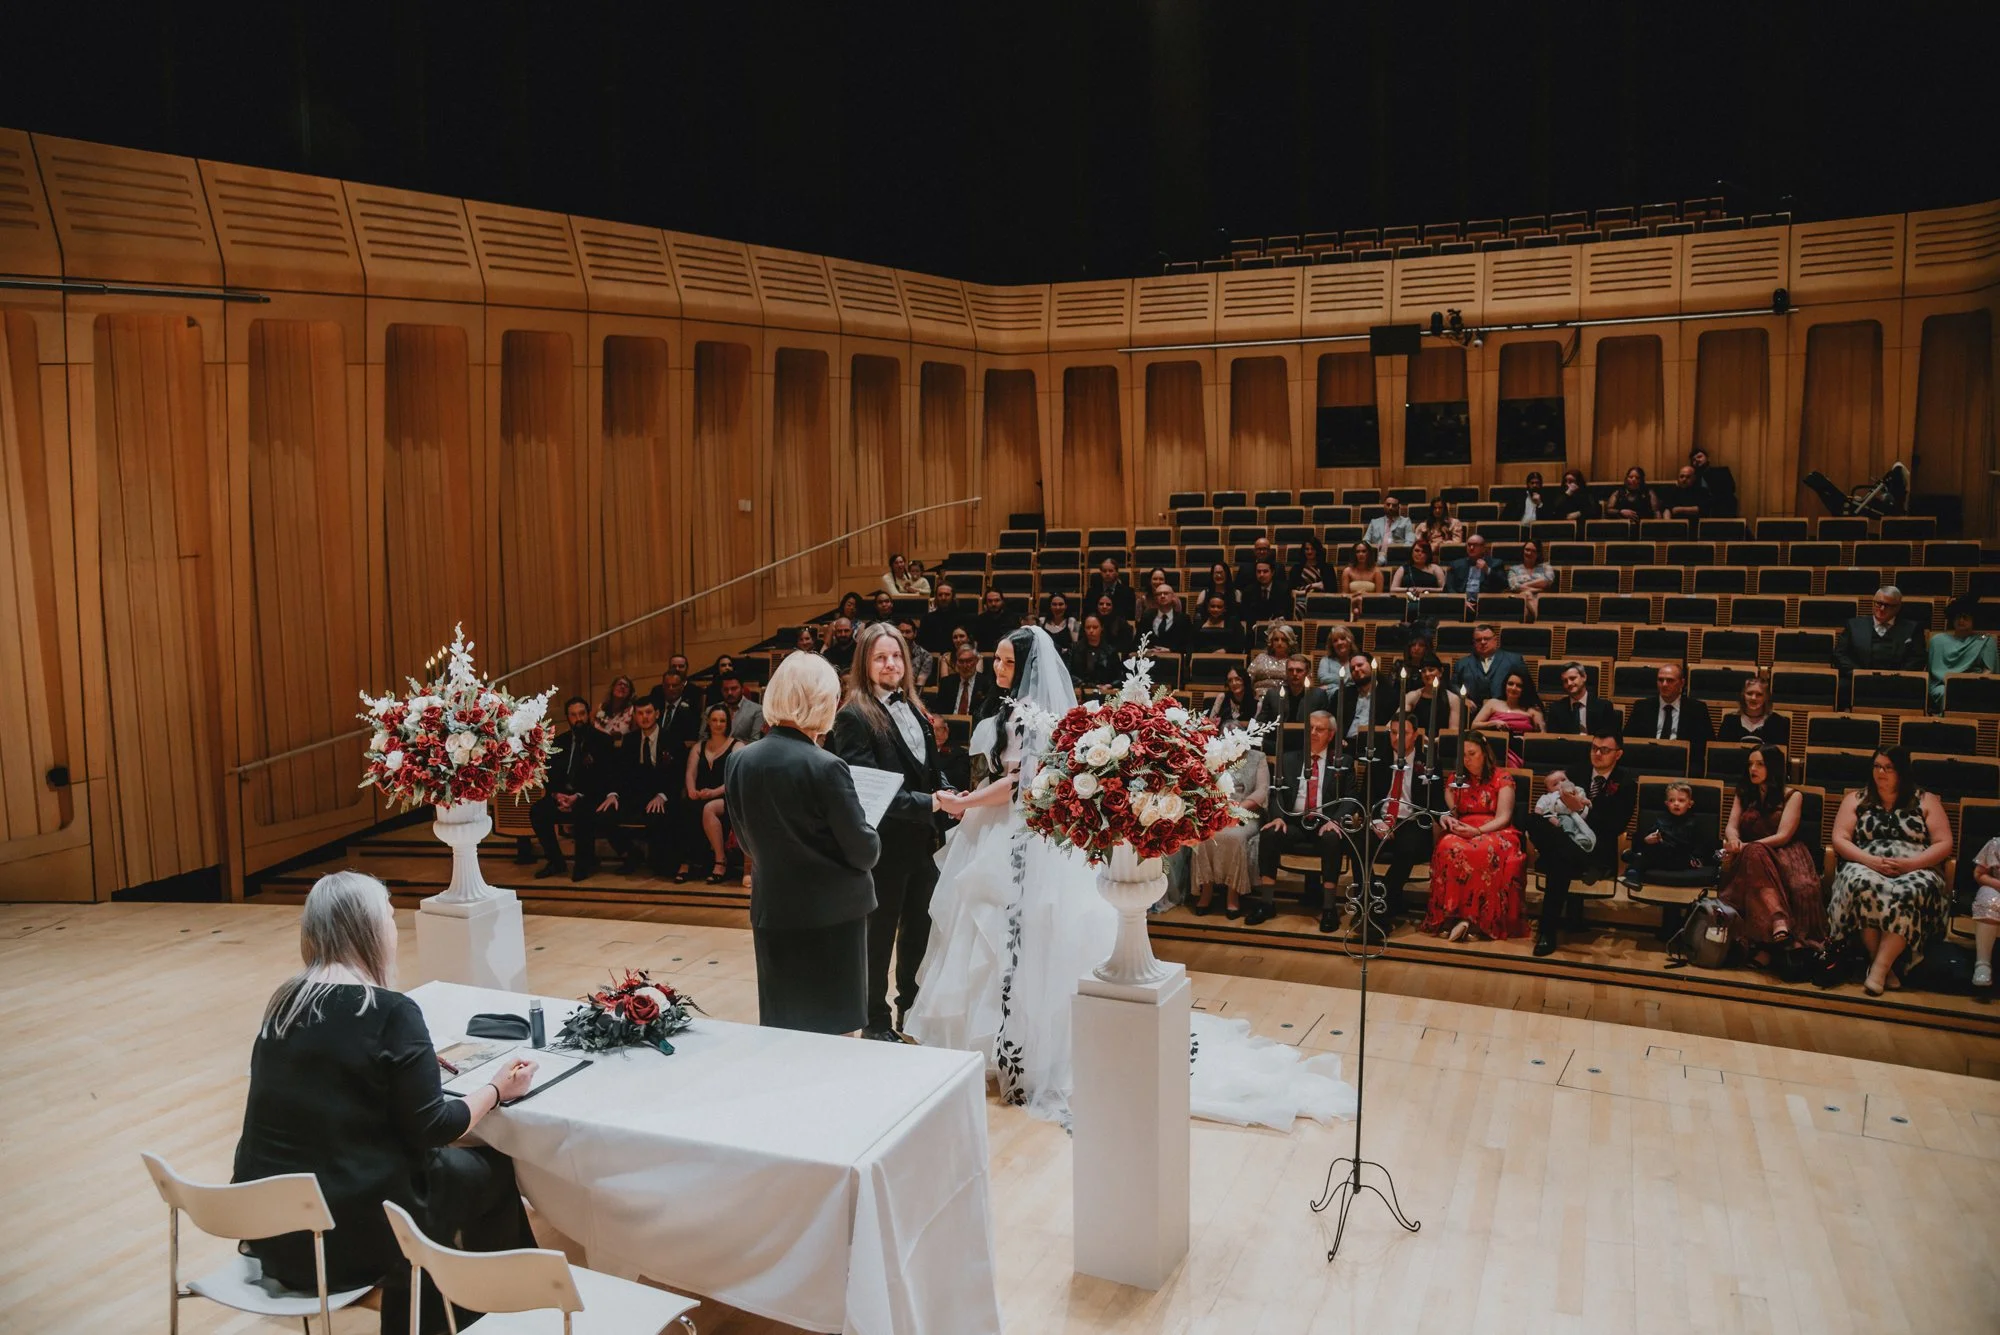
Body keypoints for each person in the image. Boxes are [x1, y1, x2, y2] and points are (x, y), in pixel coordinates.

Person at [908, 628, 1355, 1129]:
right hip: (995, 830)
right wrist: (970, 804)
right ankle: (994, 1047)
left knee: (1035, 930)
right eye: (999, 660)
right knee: (984, 931)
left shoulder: (1038, 719)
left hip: (1026, 834)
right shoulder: (1004, 710)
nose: (998, 669)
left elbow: (1022, 782)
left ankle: (1040, 1047)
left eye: (1008, 662)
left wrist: (966, 803)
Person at [233, 872, 536, 1335]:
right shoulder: (389, 1010)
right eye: (391, 919)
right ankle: (492, 1313)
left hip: (275, 1230)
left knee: (431, 1180)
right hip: (351, 1234)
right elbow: (436, 1126)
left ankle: (462, 1310)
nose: (395, 931)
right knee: (490, 1168)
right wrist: (496, 1089)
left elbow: (332, 1084)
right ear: (368, 931)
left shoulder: (284, 1004)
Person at [727, 652, 882, 1034]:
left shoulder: (739, 761)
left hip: (773, 910)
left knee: (784, 1031)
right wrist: (871, 829)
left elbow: (746, 843)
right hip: (832, 919)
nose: (836, 705)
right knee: (838, 1034)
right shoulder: (826, 766)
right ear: (817, 701)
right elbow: (864, 851)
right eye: (832, 697)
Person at [828, 623, 950, 1040]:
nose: (891, 664)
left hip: (923, 844)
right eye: (881, 657)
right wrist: (933, 803)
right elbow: (867, 791)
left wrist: (952, 795)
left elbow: (930, 771)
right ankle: (874, 1021)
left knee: (918, 934)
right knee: (877, 941)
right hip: (883, 847)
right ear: (865, 663)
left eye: (896, 656)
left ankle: (910, 1014)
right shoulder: (852, 716)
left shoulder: (915, 707)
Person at [1826, 747, 1951, 995]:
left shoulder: (1926, 800)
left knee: (1909, 892)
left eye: (1888, 767)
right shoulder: (1856, 799)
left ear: (1902, 771)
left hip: (1916, 865)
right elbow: (1839, 838)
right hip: (1865, 860)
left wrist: (1911, 865)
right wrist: (1869, 860)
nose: (1881, 772)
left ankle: (1879, 967)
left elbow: (1944, 843)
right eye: (1877, 766)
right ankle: (1882, 967)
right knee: (1863, 885)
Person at [1526, 732, 1638, 956]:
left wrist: (1581, 810)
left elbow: (1615, 826)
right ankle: (1577, 861)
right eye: (1594, 748)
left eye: (1604, 750)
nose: (1597, 753)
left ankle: (1547, 933)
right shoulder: (1576, 771)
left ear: (1618, 754)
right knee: (1530, 819)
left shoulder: (1626, 782)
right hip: (1568, 842)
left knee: (1558, 862)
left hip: (1598, 846)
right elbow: (1552, 804)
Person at [1720, 744, 1825, 963]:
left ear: (1773, 767)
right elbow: (1731, 826)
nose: (1753, 769)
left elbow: (1783, 836)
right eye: (1750, 764)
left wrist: (1748, 846)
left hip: (1784, 853)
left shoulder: (1792, 796)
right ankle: (1778, 924)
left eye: (1760, 764)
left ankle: (1766, 947)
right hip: (1751, 854)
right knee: (1754, 855)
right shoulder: (1744, 793)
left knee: (1800, 885)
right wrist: (1734, 840)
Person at [1421, 732, 1525, 941]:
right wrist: (1453, 823)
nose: (1467, 759)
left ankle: (1478, 922)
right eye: (1464, 755)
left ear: (1484, 753)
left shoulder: (1502, 778)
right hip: (1464, 826)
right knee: (1447, 846)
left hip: (1496, 829)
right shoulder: (1455, 779)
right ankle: (1449, 916)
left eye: (1472, 753)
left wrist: (1478, 831)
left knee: (1482, 850)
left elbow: (1504, 817)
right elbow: (1452, 812)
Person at [1257, 710, 1347, 931]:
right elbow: (1276, 792)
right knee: (1269, 833)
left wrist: (1335, 820)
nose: (1314, 733)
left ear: (1332, 734)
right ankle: (1267, 902)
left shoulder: (1342, 762)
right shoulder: (1288, 759)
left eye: (1320, 729)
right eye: (1311, 728)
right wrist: (1278, 817)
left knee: (1332, 839)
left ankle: (1328, 908)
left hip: (1324, 822)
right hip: (1294, 822)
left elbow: (1350, 797)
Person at [596, 697, 684, 879]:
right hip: (634, 795)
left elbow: (679, 774)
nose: (644, 717)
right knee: (604, 813)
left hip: (662, 794)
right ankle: (629, 853)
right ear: (635, 716)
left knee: (659, 816)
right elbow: (618, 772)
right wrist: (613, 794)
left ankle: (658, 858)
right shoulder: (629, 740)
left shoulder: (672, 739)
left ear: (657, 714)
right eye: (640, 713)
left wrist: (663, 795)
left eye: (649, 712)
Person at [1366, 716, 1440, 932]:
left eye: (1403, 733)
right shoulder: (1378, 758)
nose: (1397, 738)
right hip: (1382, 818)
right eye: (1393, 732)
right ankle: (1370, 903)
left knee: (1407, 849)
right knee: (1359, 844)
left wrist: (1444, 817)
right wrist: (1376, 821)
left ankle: (1380, 909)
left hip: (1411, 821)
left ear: (1415, 735)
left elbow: (1435, 800)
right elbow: (1366, 796)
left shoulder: (1428, 762)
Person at [1190, 729, 1270, 918]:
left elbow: (1262, 790)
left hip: (1246, 813)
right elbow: (1205, 785)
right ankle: (1207, 890)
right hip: (1217, 811)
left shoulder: (1258, 757)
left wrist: (1238, 809)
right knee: (1202, 836)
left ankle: (1232, 894)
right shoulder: (1216, 756)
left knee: (1234, 838)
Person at [530, 696, 607, 881]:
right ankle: (556, 861)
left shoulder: (602, 741)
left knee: (584, 811)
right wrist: (557, 795)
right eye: (573, 715)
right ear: (568, 717)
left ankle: (584, 863)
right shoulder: (559, 742)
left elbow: (602, 778)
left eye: (581, 714)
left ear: (588, 715)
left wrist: (578, 796)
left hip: (588, 795)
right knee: (538, 812)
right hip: (562, 794)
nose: (578, 719)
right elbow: (549, 774)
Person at [686, 704, 745, 884]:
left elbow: (735, 778)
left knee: (709, 808)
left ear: (728, 723)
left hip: (728, 796)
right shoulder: (699, 746)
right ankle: (685, 863)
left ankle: (720, 861)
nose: (718, 724)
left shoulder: (738, 745)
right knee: (683, 807)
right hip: (703, 794)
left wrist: (714, 792)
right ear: (708, 722)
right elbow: (690, 773)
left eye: (722, 720)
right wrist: (691, 791)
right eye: (714, 720)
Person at [1620, 781, 1718, 885]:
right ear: (1667, 804)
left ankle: (1634, 857)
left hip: (1681, 858)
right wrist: (1648, 840)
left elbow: (1702, 845)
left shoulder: (1694, 823)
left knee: (1662, 855)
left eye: (1681, 800)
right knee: (1648, 856)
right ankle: (1633, 875)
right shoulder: (1661, 820)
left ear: (1690, 804)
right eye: (1672, 800)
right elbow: (1648, 837)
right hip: (1660, 855)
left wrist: (1697, 858)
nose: (1676, 803)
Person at [1626, 662, 1713, 767]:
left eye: (1670, 680)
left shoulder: (1697, 709)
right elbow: (1628, 741)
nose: (1664, 684)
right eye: (1660, 680)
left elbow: (1706, 746)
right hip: (1647, 762)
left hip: (1682, 764)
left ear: (1682, 683)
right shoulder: (1642, 707)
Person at [1833, 585, 1927, 676]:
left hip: (1898, 682)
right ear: (1873, 603)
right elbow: (1839, 654)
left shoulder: (1913, 628)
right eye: (1879, 603)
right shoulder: (1854, 625)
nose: (1882, 609)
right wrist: (1859, 674)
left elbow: (1917, 659)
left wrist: (1896, 677)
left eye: (1887, 605)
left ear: (1898, 607)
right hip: (1858, 680)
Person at [1927, 594, 1995, 710]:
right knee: (1946, 693)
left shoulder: (1985, 640)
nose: (1961, 620)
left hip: (1974, 685)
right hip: (1943, 685)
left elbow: (1988, 671)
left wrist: (1969, 683)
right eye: (1957, 617)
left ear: (1974, 619)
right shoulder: (1937, 640)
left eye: (1966, 617)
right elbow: (1932, 673)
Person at [1471, 668, 1544, 765]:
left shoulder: (1533, 710)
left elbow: (1542, 738)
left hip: (1520, 752)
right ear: (1505, 685)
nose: (1513, 688)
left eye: (1519, 686)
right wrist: (1493, 723)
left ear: (1525, 689)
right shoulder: (1493, 703)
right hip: (1493, 748)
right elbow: (1474, 726)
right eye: (1510, 684)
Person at [1449, 622, 1527, 706]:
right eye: (1478, 640)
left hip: (1505, 712)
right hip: (1472, 713)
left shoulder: (1513, 661)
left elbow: (1526, 687)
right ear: (1474, 643)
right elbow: (1453, 687)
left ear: (1495, 640)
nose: (1483, 642)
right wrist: (1463, 699)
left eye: (1487, 639)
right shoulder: (1461, 664)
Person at [1257, 655, 1331, 735]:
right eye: (1290, 670)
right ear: (1286, 672)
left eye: (1299, 670)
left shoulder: (1318, 695)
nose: (1294, 673)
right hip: (1277, 740)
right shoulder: (1273, 694)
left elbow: (1325, 724)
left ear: (1307, 672)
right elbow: (1261, 722)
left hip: (1308, 740)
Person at [1544, 661, 1619, 737]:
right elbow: (1553, 740)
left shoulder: (1604, 707)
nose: (1569, 683)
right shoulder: (1556, 709)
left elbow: (1610, 738)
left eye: (1572, 678)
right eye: (1565, 681)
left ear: (1584, 677)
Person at [1716, 675, 1789, 749]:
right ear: (1743, 696)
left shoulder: (1778, 722)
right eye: (1749, 693)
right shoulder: (1729, 721)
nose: (1753, 698)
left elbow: (1779, 756)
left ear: (1766, 697)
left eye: (1759, 694)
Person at [1970, 834, 2000, 990]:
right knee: (1989, 899)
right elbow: (1979, 874)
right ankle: (1983, 963)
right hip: (1997, 887)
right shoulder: (1996, 844)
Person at [1403, 661, 1465, 734]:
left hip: (1442, 742)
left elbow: (1453, 731)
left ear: (1440, 672)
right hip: (1416, 741)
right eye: (1423, 671)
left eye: (1431, 670)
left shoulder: (1453, 699)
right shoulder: (1412, 696)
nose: (1427, 674)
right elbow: (1400, 721)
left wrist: (1436, 741)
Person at [1505, 538, 1557, 620]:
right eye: (1527, 550)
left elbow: (1547, 581)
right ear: (1523, 551)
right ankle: (1540, 621)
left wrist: (1525, 585)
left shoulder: (1546, 567)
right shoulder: (1514, 569)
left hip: (1542, 599)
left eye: (1534, 551)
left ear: (1538, 554)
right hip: (1520, 599)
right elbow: (1514, 586)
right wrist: (1540, 589)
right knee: (1526, 595)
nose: (1529, 553)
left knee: (1526, 597)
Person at [933, 643, 991, 716]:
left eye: (969, 661)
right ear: (956, 662)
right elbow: (939, 712)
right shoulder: (946, 683)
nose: (965, 666)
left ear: (976, 661)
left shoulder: (986, 684)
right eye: (961, 661)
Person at [1069, 615, 1125, 688]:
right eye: (1088, 627)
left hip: (1105, 691)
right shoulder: (1075, 648)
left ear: (1101, 628)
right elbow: (1068, 673)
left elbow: (1120, 676)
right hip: (1081, 690)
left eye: (1095, 627)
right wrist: (1084, 685)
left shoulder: (1110, 650)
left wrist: (1111, 685)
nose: (1091, 631)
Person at [1444, 532, 1499, 604]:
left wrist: (1487, 570)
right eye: (1469, 545)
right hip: (1461, 604)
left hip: (1486, 605)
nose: (1471, 548)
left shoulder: (1495, 563)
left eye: (1475, 545)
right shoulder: (1456, 564)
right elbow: (1449, 587)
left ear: (1483, 548)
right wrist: (1461, 602)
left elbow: (1503, 584)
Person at [1337, 541, 1383, 618]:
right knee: (1355, 606)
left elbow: (1379, 597)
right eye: (1358, 552)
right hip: (1351, 602)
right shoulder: (1347, 571)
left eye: (1364, 551)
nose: (1361, 554)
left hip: (1371, 605)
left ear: (1368, 553)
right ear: (1354, 554)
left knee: (1359, 604)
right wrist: (1355, 595)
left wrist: (1366, 596)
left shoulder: (1377, 572)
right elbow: (1344, 595)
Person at [1248, 623, 1297, 694]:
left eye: (1283, 640)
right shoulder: (1260, 658)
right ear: (1271, 642)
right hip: (1258, 698)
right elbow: (1248, 680)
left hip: (1284, 699)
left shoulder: (1294, 661)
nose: (1279, 643)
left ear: (1289, 642)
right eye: (1276, 639)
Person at [1142, 584, 1194, 652]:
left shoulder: (1184, 619)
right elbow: (1137, 643)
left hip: (1173, 660)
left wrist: (1170, 650)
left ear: (1173, 597)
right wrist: (1146, 650)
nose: (1162, 596)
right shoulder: (1147, 617)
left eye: (1166, 593)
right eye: (1159, 594)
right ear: (1155, 599)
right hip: (1149, 659)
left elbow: (1189, 646)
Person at [1688, 447, 1737, 517]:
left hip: (1724, 510)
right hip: (1702, 514)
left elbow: (1731, 489)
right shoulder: (1693, 479)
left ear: (1707, 458)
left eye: (1699, 457)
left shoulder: (1722, 472)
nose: (1697, 460)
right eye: (1694, 460)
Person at [917, 582, 965, 653]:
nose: (943, 598)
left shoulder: (963, 618)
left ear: (953, 597)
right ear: (936, 598)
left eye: (947, 595)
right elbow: (921, 645)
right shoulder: (926, 619)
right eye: (940, 595)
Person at [1240, 558, 1290, 625]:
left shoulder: (1283, 590)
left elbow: (1286, 614)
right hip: (1254, 628)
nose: (1261, 575)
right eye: (1259, 571)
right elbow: (1245, 615)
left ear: (1272, 572)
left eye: (1265, 571)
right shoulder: (1248, 591)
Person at [1087, 557, 1137, 621]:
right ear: (1101, 573)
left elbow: (1130, 617)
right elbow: (1087, 615)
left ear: (1117, 572)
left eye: (1110, 571)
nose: (1107, 574)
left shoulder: (1128, 592)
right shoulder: (1091, 592)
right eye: (1104, 571)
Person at [1316, 623, 1360, 689]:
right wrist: (1348, 679)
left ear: (1349, 641)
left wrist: (1330, 686)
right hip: (1330, 697)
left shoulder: (1357, 660)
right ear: (1332, 645)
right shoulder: (1325, 660)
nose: (1339, 643)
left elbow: (1359, 680)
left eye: (1342, 639)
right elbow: (1323, 678)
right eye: (1335, 641)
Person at [1289, 537, 1330, 608]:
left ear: (1317, 550)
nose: (1309, 552)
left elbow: (1330, 589)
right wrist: (1315, 586)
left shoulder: (1327, 568)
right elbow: (1291, 591)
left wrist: (1302, 591)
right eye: (1307, 549)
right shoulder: (1296, 568)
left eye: (1313, 549)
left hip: (1322, 601)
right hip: (1299, 601)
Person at [897, 618, 935, 688]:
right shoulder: (890, 654)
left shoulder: (925, 656)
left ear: (915, 634)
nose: (904, 635)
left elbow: (919, 684)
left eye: (908, 632)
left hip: (913, 694)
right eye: (901, 632)